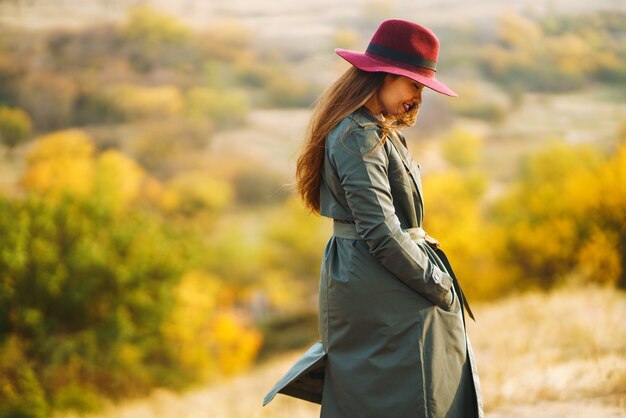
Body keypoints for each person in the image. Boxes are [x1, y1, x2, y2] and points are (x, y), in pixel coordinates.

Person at [263, 19, 483, 418]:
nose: (419, 97)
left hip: (376, 273)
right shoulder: (357, 135)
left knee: (413, 390)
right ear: (383, 76)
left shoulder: (372, 129)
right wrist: (437, 285)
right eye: (414, 85)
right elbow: (381, 231)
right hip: (376, 278)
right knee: (406, 396)